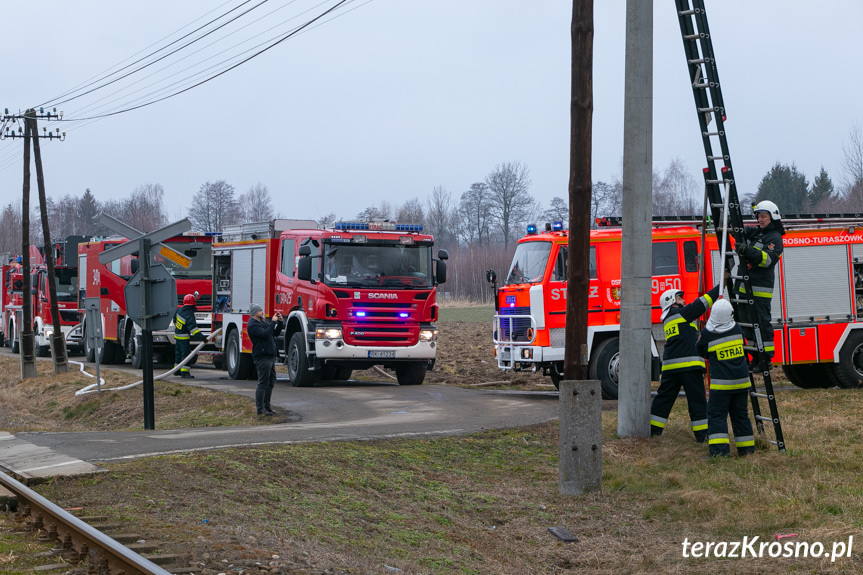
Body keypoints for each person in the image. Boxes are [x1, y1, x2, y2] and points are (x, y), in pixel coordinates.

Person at [650, 283, 721, 442]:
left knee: (664, 399)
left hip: (670, 368)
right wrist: (719, 287)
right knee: (697, 401)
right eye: (679, 298)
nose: (683, 300)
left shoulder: (669, 318)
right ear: (671, 301)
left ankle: (653, 431)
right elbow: (702, 303)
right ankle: (702, 436)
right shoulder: (680, 313)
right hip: (688, 367)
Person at [697, 298, 756, 457]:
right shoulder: (737, 329)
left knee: (716, 416)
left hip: (721, 386)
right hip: (742, 383)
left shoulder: (708, 334)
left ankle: (719, 453)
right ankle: (747, 451)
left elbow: (701, 350)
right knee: (741, 416)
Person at [735, 200, 785, 367]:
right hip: (744, 290)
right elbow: (739, 231)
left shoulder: (775, 238)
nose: (760, 220)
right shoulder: (756, 233)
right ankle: (754, 357)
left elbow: (767, 260)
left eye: (764, 216)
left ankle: (765, 359)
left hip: (760, 292)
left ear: (773, 217)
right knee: (746, 326)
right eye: (758, 216)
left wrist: (747, 250)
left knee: (761, 325)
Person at [247, 303, 284, 416]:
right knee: (263, 383)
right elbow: (265, 333)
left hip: (269, 356)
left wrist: (280, 322)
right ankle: (260, 409)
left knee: (271, 381)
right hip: (262, 357)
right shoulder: (253, 325)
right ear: (255, 312)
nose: (262, 312)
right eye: (260, 310)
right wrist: (273, 322)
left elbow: (274, 333)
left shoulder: (261, 322)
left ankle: (267, 407)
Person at [174, 294, 206, 378]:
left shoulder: (179, 310)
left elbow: (174, 320)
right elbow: (193, 329)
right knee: (185, 355)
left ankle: (177, 370)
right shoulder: (189, 314)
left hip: (177, 335)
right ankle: (184, 373)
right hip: (184, 338)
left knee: (178, 354)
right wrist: (202, 338)